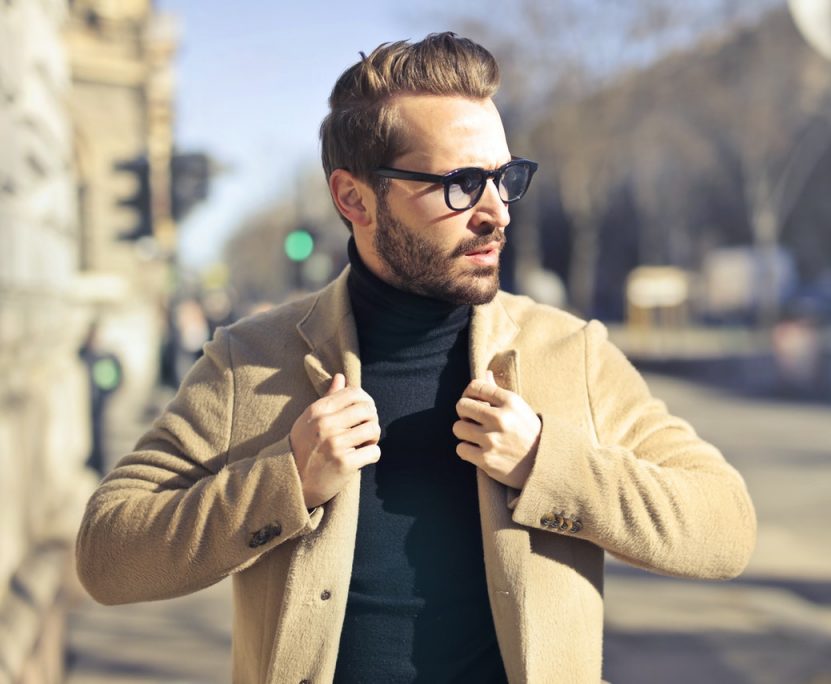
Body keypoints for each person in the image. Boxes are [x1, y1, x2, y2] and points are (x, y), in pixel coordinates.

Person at [75, 33, 756, 683]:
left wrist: (550, 466)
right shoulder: (249, 362)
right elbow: (107, 555)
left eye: (504, 178)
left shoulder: (571, 353)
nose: (496, 213)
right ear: (355, 198)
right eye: (460, 183)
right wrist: (285, 481)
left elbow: (724, 527)